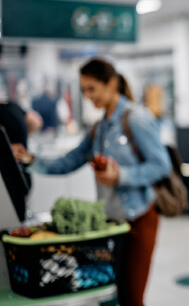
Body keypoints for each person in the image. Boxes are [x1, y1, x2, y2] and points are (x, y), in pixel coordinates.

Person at [12, 58, 171, 306]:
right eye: (83, 89)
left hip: (139, 219)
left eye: (92, 88)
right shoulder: (99, 127)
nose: (87, 96)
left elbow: (162, 165)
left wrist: (121, 176)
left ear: (112, 84)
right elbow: (69, 161)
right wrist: (31, 159)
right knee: (113, 294)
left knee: (132, 298)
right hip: (110, 224)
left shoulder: (136, 119)